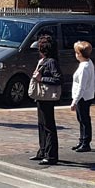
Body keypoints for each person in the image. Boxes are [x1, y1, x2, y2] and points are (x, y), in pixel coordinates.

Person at [29, 35, 62, 165]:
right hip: (42, 96)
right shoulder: (44, 61)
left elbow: (58, 79)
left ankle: (51, 155)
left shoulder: (51, 62)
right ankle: (43, 151)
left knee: (48, 126)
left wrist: (41, 79)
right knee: (42, 124)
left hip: (47, 97)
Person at [69, 40, 95, 152]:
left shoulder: (84, 67)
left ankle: (85, 142)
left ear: (79, 54)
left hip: (83, 97)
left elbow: (81, 87)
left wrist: (74, 101)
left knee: (84, 119)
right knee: (82, 119)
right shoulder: (88, 63)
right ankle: (82, 140)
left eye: (76, 52)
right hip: (86, 96)